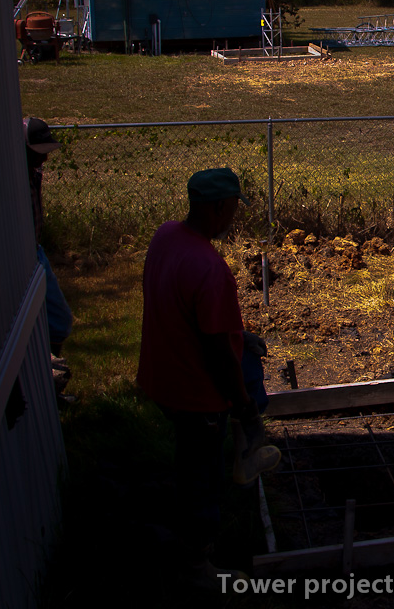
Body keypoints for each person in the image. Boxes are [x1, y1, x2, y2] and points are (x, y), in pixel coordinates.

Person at [137, 167, 280, 587]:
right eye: (234, 207)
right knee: (201, 479)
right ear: (220, 207)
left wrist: (241, 335)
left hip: (162, 371)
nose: (235, 216)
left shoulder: (166, 236)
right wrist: (246, 413)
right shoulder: (210, 268)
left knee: (246, 361)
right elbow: (220, 356)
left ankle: (239, 458)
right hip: (195, 392)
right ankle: (197, 568)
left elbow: (190, 315)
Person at [24, 116, 75, 400]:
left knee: (59, 320)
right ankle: (46, 387)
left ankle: (49, 381)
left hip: (35, 250)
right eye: (38, 154)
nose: (43, 162)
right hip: (23, 254)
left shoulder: (33, 172)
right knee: (51, 322)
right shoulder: (11, 178)